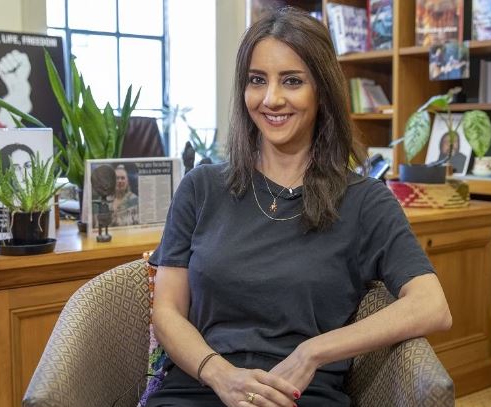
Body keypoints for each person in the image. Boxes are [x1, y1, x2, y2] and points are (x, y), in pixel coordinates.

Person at [145, 8, 452, 407]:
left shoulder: (365, 201)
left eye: (292, 81)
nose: (271, 99)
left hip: (301, 395)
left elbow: (432, 306)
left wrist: (313, 352)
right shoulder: (200, 188)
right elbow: (167, 311)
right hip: (199, 388)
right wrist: (220, 374)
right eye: (257, 80)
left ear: (321, 90)